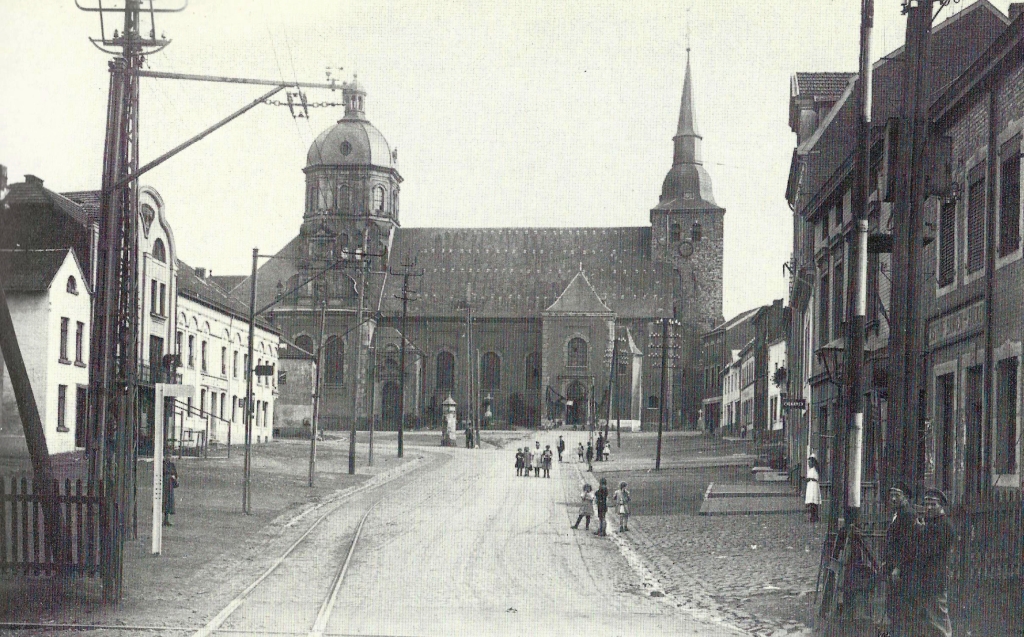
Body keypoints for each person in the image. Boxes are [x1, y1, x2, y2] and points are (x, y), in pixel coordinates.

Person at [906, 488, 955, 637]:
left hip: (936, 577)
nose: (928, 508)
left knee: (939, 617)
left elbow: (930, 551)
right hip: (924, 578)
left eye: (933, 504)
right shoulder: (927, 523)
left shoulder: (945, 525)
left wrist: (921, 531)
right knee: (927, 619)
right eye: (926, 504)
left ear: (941, 506)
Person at [884, 480, 917, 637]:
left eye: (897, 495)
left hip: (903, 568)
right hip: (894, 566)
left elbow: (908, 545)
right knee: (893, 604)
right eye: (891, 495)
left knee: (900, 605)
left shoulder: (908, 514)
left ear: (906, 497)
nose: (893, 499)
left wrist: (898, 567)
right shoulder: (898, 513)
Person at [163, 452, 178, 527]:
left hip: (169, 485)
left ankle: (166, 520)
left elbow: (175, 474)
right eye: (167, 456)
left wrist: (173, 477)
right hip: (163, 485)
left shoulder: (172, 465)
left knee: (168, 502)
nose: (168, 457)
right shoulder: (161, 464)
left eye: (169, 456)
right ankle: (161, 519)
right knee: (163, 501)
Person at [804, 455, 821, 523]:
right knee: (812, 502)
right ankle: (813, 516)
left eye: (809, 462)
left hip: (813, 486)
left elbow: (815, 478)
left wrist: (809, 478)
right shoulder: (811, 470)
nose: (808, 464)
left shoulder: (814, 470)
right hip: (810, 486)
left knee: (813, 502)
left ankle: (814, 516)